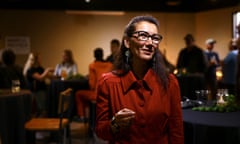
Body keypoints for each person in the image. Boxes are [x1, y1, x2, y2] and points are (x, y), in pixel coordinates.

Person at [95, 15, 184, 144]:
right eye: (143, 35)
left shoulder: (170, 82)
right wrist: (115, 124)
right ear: (127, 42)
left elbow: (176, 131)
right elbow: (100, 130)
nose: (149, 43)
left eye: (155, 38)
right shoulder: (108, 82)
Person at [75, 47, 113, 121]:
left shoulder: (92, 65)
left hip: (97, 95)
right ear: (102, 55)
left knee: (78, 94)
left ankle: (82, 116)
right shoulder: (110, 65)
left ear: (94, 56)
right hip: (109, 95)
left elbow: (92, 85)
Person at [24, 52, 54, 117]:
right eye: (39, 58)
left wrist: (58, 74)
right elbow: (40, 78)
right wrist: (48, 70)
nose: (41, 59)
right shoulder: (30, 70)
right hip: (36, 92)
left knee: (43, 110)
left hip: (42, 90)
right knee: (41, 110)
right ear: (35, 60)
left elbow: (49, 76)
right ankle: (39, 124)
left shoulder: (40, 68)